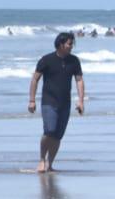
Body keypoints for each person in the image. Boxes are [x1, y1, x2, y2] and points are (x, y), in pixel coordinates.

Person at [28, 31, 85, 173]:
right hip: (49, 101)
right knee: (49, 131)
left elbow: (79, 80)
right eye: (70, 44)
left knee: (58, 135)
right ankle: (41, 159)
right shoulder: (46, 60)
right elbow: (35, 79)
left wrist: (81, 101)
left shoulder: (74, 61)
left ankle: (50, 163)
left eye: (72, 44)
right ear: (61, 44)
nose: (72, 46)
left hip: (65, 103)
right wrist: (32, 100)